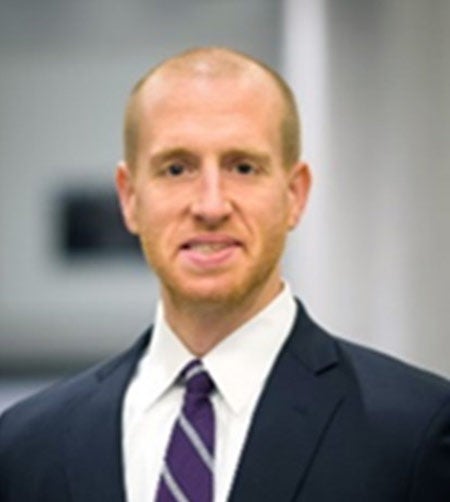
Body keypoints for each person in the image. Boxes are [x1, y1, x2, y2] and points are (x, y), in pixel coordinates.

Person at [0, 46, 449, 502]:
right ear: (130, 197)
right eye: (177, 168)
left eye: (243, 168)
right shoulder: (26, 447)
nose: (211, 205)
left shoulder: (414, 433)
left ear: (294, 195)